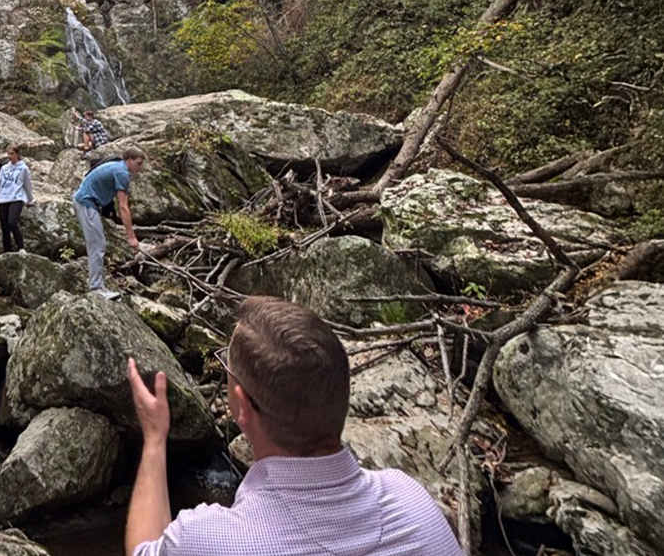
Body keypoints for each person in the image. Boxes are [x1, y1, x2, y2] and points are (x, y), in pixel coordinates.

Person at [125, 296, 464, 556]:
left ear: (242, 406)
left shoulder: (208, 539)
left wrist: (155, 438)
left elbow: (142, 550)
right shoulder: (412, 501)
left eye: (227, 367)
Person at [71, 146, 145, 299]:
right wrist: (131, 237)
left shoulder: (117, 166)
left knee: (98, 244)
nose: (140, 167)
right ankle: (96, 288)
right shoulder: (121, 172)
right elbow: (123, 207)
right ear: (129, 160)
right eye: (138, 163)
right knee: (97, 245)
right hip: (86, 203)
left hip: (88, 202)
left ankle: (96, 284)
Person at [0, 144, 35, 254]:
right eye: (8, 154)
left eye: (12, 154)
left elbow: (27, 185)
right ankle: (7, 251)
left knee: (12, 222)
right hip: (3, 198)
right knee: (4, 227)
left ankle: (21, 247)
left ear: (17, 155)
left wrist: (30, 199)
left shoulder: (23, 169)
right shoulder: (4, 168)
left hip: (16, 198)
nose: (10, 156)